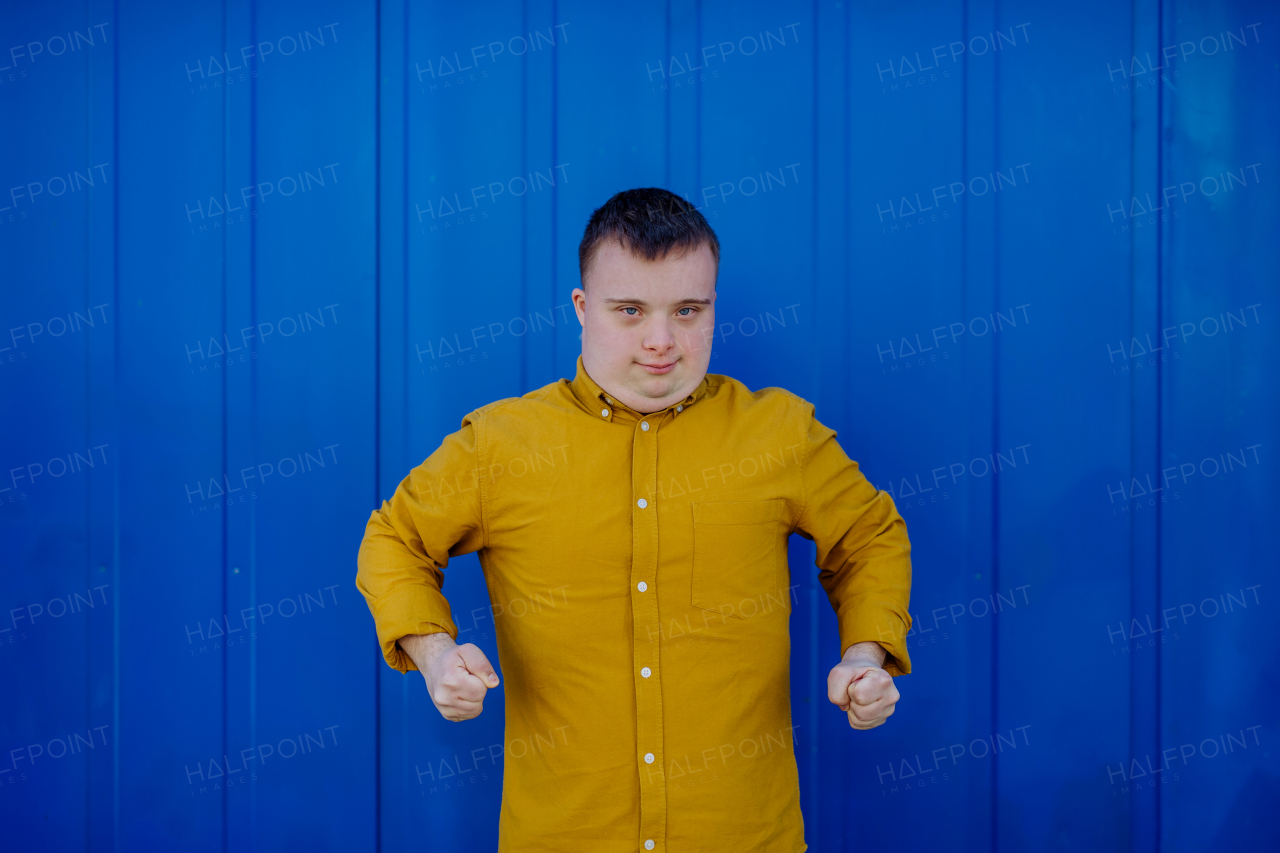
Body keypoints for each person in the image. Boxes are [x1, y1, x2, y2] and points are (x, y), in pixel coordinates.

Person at [356, 187, 912, 852]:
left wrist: (864, 655)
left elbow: (870, 535)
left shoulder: (779, 434)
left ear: (712, 308)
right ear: (582, 309)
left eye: (688, 310)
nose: (661, 341)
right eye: (630, 310)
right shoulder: (502, 446)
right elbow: (394, 539)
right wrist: (435, 653)